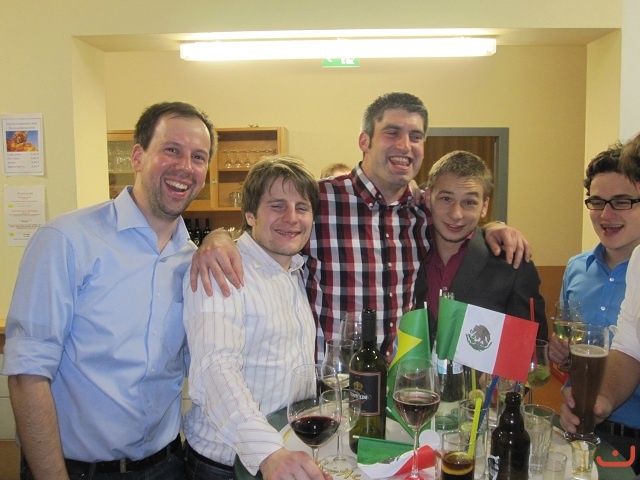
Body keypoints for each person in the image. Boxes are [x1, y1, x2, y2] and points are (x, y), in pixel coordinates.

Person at [191, 92, 530, 362]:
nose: (405, 145)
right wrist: (217, 238)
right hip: (327, 386)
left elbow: (461, 216)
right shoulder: (318, 200)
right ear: (364, 141)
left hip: (398, 386)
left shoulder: (422, 213)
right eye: (392, 133)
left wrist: (493, 226)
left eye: (416, 136)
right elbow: (260, 237)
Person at [1, 101, 215, 480]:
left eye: (198, 156)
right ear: (138, 156)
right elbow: (26, 373)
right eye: (171, 150)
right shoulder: (67, 240)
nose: (185, 166)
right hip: (76, 471)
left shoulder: (193, 261)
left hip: (167, 465)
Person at [182, 156, 328, 480]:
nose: (292, 218)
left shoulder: (294, 271)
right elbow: (214, 370)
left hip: (283, 456)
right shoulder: (223, 268)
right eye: (277, 206)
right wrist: (268, 452)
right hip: (225, 468)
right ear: (250, 214)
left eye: (302, 208)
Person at [554, 139, 640, 473]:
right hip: (580, 429)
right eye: (597, 202)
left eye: (621, 202)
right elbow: (628, 348)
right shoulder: (576, 268)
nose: (606, 214)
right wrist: (559, 355)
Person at [413, 150, 547, 348]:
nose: (456, 214)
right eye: (446, 199)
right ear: (428, 198)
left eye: (469, 202)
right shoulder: (406, 253)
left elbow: (532, 349)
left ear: (484, 206)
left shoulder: (512, 265)